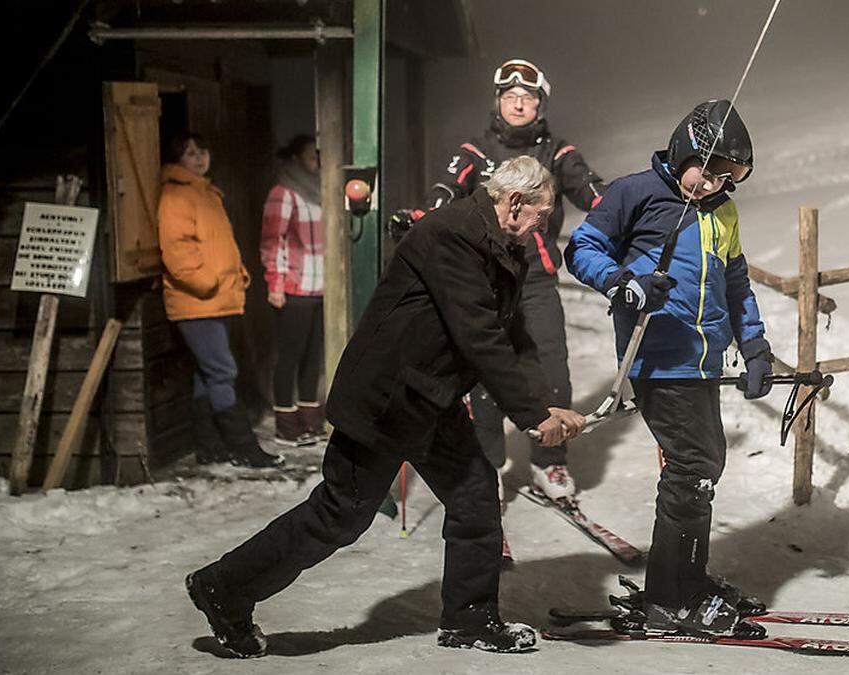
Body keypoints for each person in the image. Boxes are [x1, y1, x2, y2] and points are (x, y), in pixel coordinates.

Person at [186, 156, 587, 657]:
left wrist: (544, 403)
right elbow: (477, 334)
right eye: (540, 216)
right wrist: (533, 416)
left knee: (475, 499)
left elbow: (513, 334)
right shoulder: (454, 235)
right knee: (341, 514)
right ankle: (223, 587)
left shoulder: (504, 244)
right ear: (514, 203)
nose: (542, 226)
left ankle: (470, 620)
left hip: (432, 396)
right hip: (387, 397)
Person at [565, 100, 773, 638]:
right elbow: (583, 247)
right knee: (693, 465)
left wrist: (753, 346)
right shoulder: (636, 192)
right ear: (684, 150)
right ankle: (670, 595)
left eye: (730, 176)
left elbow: (735, 284)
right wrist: (624, 283)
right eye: (709, 169)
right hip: (656, 353)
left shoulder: (722, 211)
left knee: (703, 465)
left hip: (702, 360)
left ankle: (686, 579)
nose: (714, 184)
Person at [391, 58, 606, 503]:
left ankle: (550, 463)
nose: (518, 104)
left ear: (540, 105)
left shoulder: (557, 152)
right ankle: (487, 465)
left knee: (551, 372)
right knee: (485, 374)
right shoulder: (476, 151)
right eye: (510, 97)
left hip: (537, 281)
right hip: (486, 279)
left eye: (527, 98)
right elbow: (443, 192)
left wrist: (625, 209)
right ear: (499, 102)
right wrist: (422, 217)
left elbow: (591, 191)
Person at [157, 131, 284, 469]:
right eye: (189, 153)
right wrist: (208, 282)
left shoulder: (206, 193)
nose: (198, 158)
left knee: (207, 373)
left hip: (217, 298)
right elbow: (178, 252)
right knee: (222, 370)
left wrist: (237, 274)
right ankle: (243, 446)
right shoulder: (176, 196)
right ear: (176, 160)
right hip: (197, 300)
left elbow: (219, 245)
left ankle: (209, 446)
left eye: (202, 151)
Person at [260, 134, 326, 447]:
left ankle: (310, 421)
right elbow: (273, 241)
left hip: (322, 285)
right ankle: (286, 424)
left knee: (313, 358)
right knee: (290, 356)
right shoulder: (283, 191)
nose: (317, 162)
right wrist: (275, 283)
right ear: (297, 158)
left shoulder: (321, 191)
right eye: (312, 156)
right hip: (295, 285)